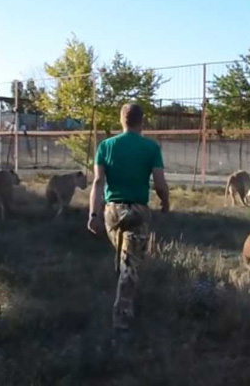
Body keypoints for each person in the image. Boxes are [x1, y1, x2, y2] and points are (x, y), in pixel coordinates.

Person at [87, 103, 170, 334]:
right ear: (142, 122)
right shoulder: (151, 148)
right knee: (130, 267)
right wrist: (165, 202)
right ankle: (122, 323)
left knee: (123, 258)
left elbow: (98, 183)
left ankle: (124, 296)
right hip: (137, 212)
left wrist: (93, 214)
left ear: (121, 120)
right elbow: (160, 184)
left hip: (112, 212)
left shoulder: (105, 146)